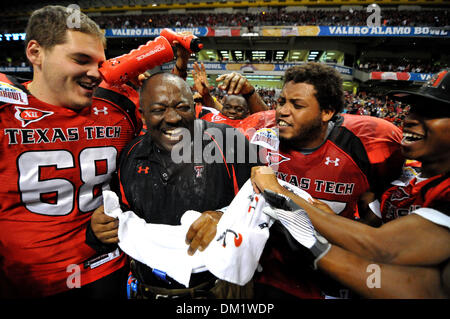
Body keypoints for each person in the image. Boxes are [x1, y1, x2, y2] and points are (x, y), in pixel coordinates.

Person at [249, 68, 450, 298]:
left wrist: (278, 191)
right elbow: (426, 286)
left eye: (431, 112)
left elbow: (383, 247)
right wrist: (325, 234)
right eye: (413, 108)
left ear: (327, 112)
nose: (411, 118)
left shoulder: (374, 144)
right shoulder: (405, 184)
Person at [0, 5, 143, 298]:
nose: (95, 73)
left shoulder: (119, 107)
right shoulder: (5, 109)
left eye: (99, 63)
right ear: (35, 53)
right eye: (81, 59)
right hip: (27, 283)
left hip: (109, 270)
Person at [89, 71, 261, 299]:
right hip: (147, 290)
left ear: (194, 107)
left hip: (219, 290)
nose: (172, 118)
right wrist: (100, 229)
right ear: (142, 115)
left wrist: (225, 217)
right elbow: (121, 214)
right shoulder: (130, 154)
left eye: (182, 107)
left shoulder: (228, 141)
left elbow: (267, 201)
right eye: (159, 110)